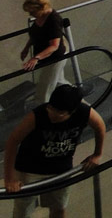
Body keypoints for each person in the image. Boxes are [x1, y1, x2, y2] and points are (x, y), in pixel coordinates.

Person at [4, 84, 105, 218]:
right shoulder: (37, 115)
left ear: (72, 111)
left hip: (61, 169)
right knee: (23, 211)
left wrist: (97, 154)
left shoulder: (84, 112)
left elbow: (100, 126)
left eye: (60, 113)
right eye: (51, 109)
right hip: (29, 168)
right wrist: (10, 179)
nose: (52, 115)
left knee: (59, 208)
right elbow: (12, 141)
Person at [20, 0, 67, 104]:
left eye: (32, 12)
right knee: (60, 83)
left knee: (45, 86)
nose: (30, 14)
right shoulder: (40, 16)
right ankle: (79, 102)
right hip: (47, 56)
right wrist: (27, 47)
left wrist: (36, 58)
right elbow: (36, 34)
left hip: (55, 57)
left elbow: (54, 46)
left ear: (41, 8)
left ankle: (40, 106)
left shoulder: (53, 20)